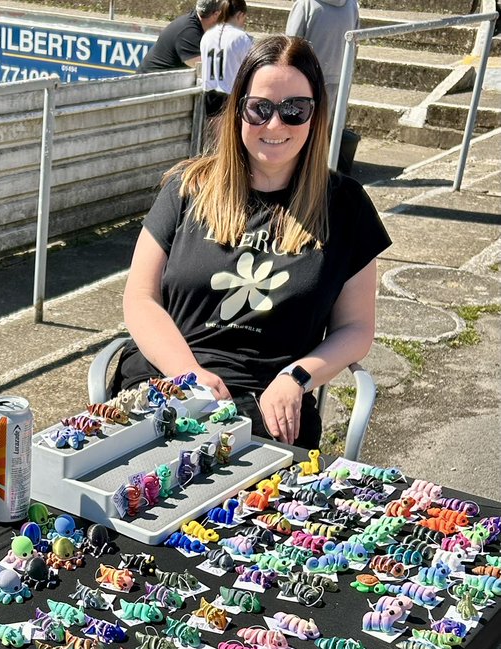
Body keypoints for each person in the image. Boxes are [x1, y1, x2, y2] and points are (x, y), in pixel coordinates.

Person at [117, 34, 391, 449]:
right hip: (167, 385)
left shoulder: (345, 207)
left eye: (294, 110)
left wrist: (297, 377)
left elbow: (356, 328)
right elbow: (140, 297)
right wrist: (188, 375)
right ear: (238, 109)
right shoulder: (188, 188)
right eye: (260, 108)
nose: (275, 124)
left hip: (267, 406)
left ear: (316, 116)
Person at [285, 0, 360, 118]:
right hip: (340, 77)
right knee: (326, 129)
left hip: (305, 78)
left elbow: (289, 47)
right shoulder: (352, 5)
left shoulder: (305, 4)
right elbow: (355, 45)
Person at [200, 0, 254, 119]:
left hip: (209, 96)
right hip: (231, 96)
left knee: (213, 134)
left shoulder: (208, 35)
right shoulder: (241, 38)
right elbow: (250, 68)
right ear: (240, 15)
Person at [139, 0, 221, 72]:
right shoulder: (188, 31)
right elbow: (203, 66)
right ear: (216, 15)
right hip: (149, 82)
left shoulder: (198, 22)